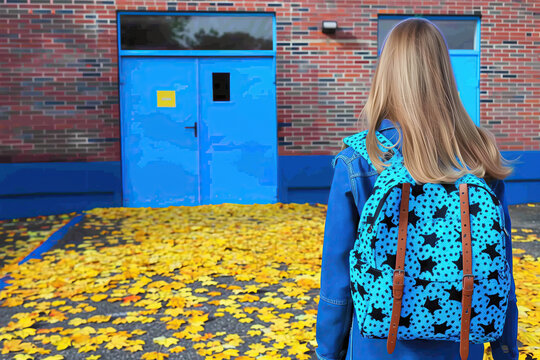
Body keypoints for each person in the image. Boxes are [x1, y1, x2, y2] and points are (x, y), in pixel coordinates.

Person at [315, 17, 518, 360]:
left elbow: (337, 277)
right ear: (444, 74)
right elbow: (501, 270)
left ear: (387, 74)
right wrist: (504, 349)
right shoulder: (479, 156)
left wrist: (327, 352)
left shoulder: (362, 158)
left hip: (377, 344)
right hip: (460, 342)